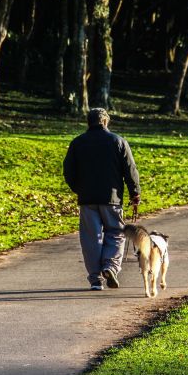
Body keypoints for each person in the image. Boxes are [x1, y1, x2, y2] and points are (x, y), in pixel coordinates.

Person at [63, 108, 141, 290]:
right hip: (112, 198)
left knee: (91, 238)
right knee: (116, 233)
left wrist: (79, 189)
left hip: (87, 198)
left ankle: (95, 279)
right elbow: (130, 169)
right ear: (105, 122)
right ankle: (110, 266)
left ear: (88, 122)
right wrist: (134, 192)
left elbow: (68, 171)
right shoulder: (118, 141)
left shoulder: (78, 143)